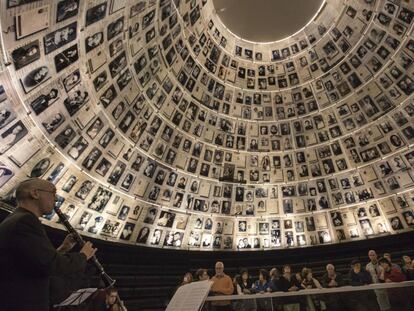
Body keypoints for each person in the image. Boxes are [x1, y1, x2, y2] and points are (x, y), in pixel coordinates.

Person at [0, 178, 97, 311]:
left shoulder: (16, 218)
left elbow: (35, 262)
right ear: (35, 193)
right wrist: (83, 255)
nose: (56, 199)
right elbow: (50, 265)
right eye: (53, 193)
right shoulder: (26, 221)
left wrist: (63, 249)